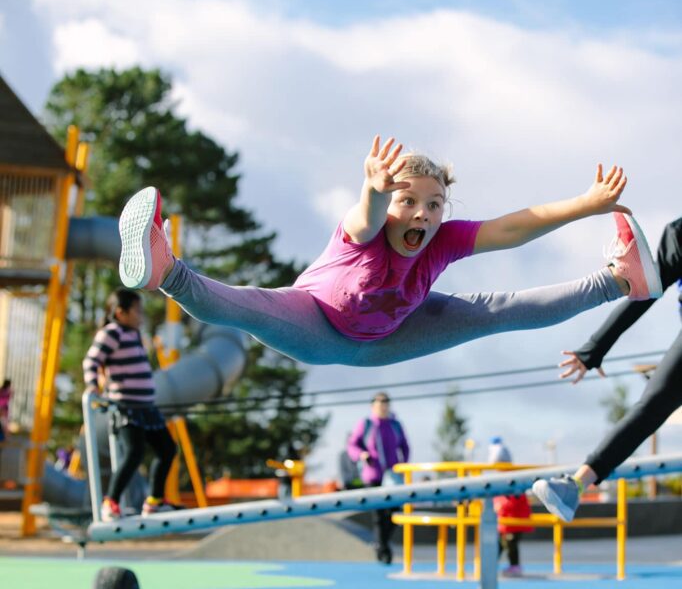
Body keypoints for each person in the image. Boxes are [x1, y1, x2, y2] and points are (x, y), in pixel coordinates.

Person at [118, 136, 662, 370]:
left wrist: (586, 204)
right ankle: (167, 269)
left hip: (389, 338)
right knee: (246, 303)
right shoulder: (366, 231)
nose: (423, 214)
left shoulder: (441, 239)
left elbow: (511, 228)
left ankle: (622, 280)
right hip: (318, 324)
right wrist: (377, 190)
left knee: (499, 310)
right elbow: (367, 214)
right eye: (410, 201)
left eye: (435, 204)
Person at [532, 218, 682, 521]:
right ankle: (574, 486)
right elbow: (644, 294)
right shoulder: (679, 234)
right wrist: (595, 348)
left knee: (651, 406)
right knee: (651, 405)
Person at [82, 287, 177, 521]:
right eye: (136, 311)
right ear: (120, 312)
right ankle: (110, 502)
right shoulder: (111, 333)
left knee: (167, 449)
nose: (140, 315)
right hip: (126, 406)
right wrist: (93, 385)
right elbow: (91, 361)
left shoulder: (134, 335)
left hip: (147, 407)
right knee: (134, 453)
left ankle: (155, 500)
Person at [346, 392, 409, 563]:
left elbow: (405, 446)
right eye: (380, 402)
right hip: (373, 474)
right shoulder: (366, 424)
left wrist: (404, 466)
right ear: (373, 405)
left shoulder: (395, 425)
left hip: (393, 476)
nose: (383, 405)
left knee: (396, 512)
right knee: (379, 515)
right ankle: (382, 549)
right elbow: (352, 444)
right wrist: (362, 455)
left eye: (386, 402)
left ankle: (382, 543)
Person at [487, 438, 533, 575]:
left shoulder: (510, 482)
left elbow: (511, 502)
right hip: (508, 519)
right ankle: (492, 564)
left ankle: (514, 566)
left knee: (510, 543)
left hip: (512, 518)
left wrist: (500, 507)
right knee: (501, 543)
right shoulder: (508, 480)